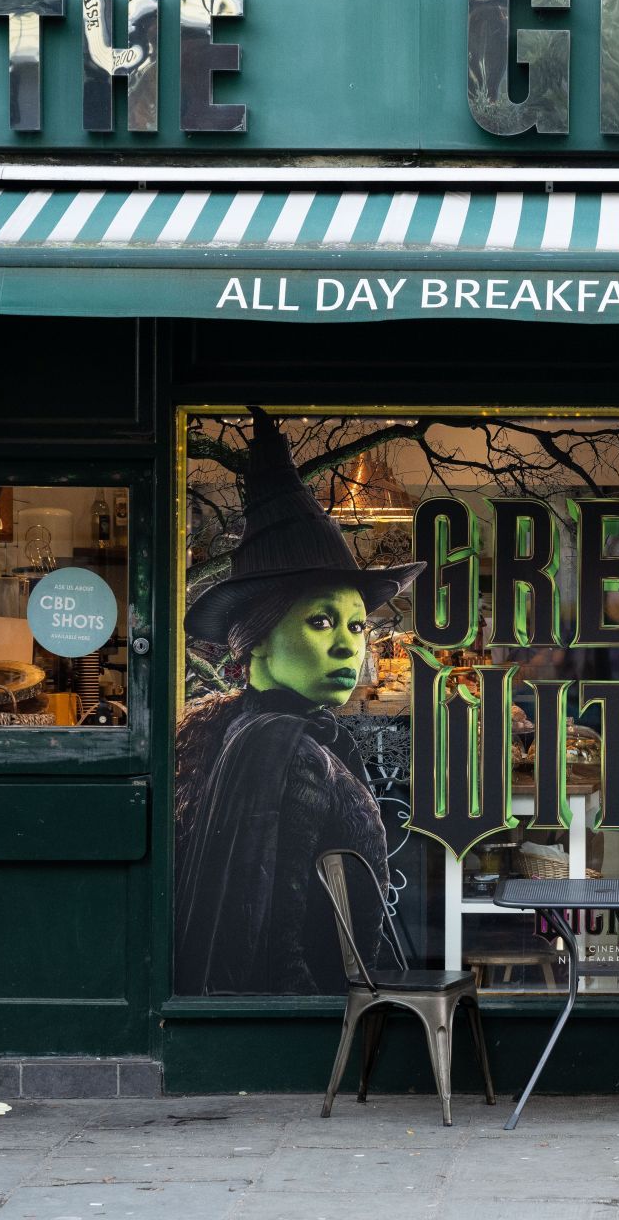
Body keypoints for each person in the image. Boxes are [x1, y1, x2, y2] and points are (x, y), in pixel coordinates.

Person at [174, 409, 425, 995]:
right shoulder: (285, 752)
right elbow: (269, 938)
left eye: (359, 627)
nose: (348, 643)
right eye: (320, 621)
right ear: (256, 639)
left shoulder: (248, 730)